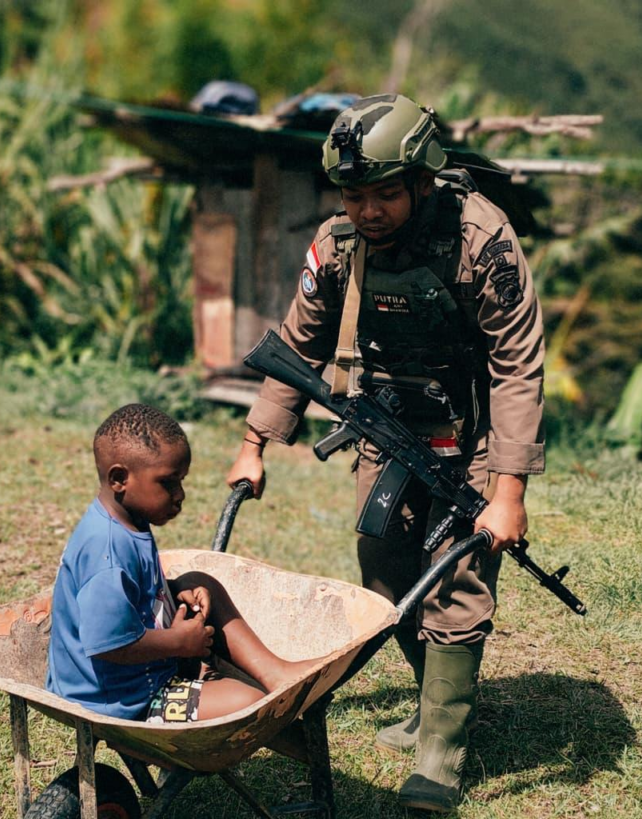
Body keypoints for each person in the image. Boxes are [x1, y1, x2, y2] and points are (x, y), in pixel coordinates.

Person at [226, 94, 545, 811]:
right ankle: (436, 705)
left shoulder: (481, 239)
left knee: (456, 580)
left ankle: (441, 752)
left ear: (423, 180)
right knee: (384, 571)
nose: (368, 210)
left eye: (386, 194)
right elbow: (297, 343)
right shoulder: (338, 244)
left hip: (472, 428)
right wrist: (254, 445)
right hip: (387, 422)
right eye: (354, 195)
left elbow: (517, 367)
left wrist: (508, 492)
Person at [46, 402, 320, 723]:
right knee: (247, 703)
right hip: (117, 700)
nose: (180, 495)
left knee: (198, 582)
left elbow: (133, 592)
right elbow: (109, 644)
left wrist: (175, 590)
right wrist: (179, 642)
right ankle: (231, 685)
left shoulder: (130, 521)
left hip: (140, 673)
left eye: (182, 481)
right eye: (168, 482)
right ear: (119, 479)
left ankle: (275, 673)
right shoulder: (105, 553)